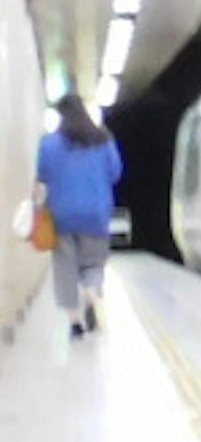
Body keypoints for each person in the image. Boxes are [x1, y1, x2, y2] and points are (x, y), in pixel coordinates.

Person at [35, 93, 119, 340]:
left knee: (65, 269)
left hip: (62, 215)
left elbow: (43, 176)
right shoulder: (103, 139)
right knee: (93, 264)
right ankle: (92, 294)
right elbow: (115, 172)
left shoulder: (50, 143)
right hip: (96, 214)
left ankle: (75, 323)